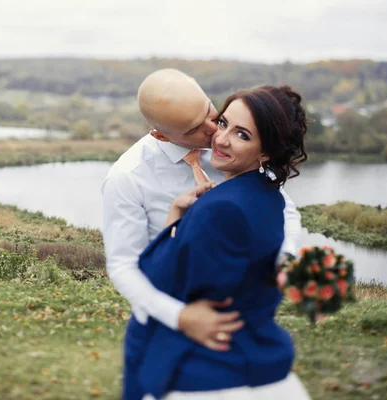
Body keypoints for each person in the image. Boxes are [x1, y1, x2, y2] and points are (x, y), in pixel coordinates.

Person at [126, 85, 311, 400]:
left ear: (265, 151)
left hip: (208, 372)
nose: (221, 139)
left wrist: (176, 222)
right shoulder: (269, 196)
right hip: (251, 356)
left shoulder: (221, 207)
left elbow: (160, 283)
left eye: (242, 135)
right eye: (223, 123)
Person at [101, 69, 302, 355]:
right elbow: (123, 267)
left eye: (212, 113)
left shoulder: (234, 142)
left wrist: (284, 260)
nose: (213, 131)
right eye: (194, 129)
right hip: (168, 323)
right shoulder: (127, 178)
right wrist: (181, 317)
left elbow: (284, 207)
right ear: (161, 134)